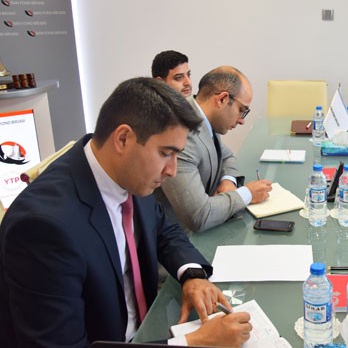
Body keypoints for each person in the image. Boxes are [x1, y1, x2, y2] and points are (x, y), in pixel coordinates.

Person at [0, 78, 252, 347]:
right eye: (166, 153)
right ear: (123, 139)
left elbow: (163, 227)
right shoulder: (44, 228)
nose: (172, 170)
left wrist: (192, 275)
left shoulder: (126, 172)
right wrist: (193, 344)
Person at [156, 66, 272, 232]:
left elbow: (227, 157)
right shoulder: (181, 131)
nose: (242, 120)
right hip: (178, 237)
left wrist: (228, 181)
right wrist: (247, 194)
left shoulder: (202, 117)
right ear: (222, 99)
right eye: (242, 110)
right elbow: (199, 215)